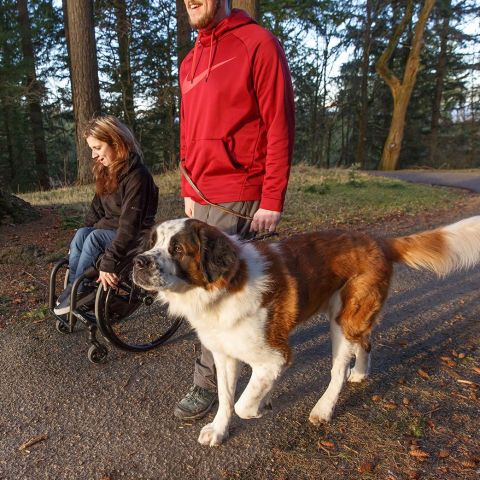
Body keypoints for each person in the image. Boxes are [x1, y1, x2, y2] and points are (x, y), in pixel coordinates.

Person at [174, 0, 295, 420]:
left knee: (216, 291)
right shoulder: (190, 60)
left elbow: (279, 123)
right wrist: (187, 186)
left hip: (238, 190)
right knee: (201, 288)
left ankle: (207, 385)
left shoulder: (257, 43)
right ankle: (236, 357)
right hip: (199, 195)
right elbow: (188, 132)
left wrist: (271, 198)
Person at [54, 115, 159, 315]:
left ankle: (81, 290)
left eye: (97, 148)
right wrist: (78, 241)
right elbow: (96, 210)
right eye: (92, 149)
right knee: (83, 233)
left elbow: (130, 225)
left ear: (116, 143)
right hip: (112, 232)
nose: (94, 155)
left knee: (94, 237)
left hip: (136, 236)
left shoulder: (138, 176)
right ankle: (73, 289)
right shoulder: (107, 171)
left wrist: (109, 262)